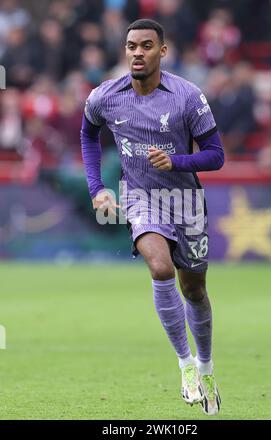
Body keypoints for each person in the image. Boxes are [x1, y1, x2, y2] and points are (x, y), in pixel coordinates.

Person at [80, 19, 224, 415]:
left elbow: (216, 155)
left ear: (162, 51)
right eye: (131, 46)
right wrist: (98, 188)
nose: (137, 53)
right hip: (141, 197)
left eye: (146, 46)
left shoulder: (187, 96)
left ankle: (206, 365)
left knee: (194, 289)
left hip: (186, 199)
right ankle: (185, 365)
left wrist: (176, 159)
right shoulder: (105, 96)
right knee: (160, 269)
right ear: (125, 50)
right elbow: (88, 133)